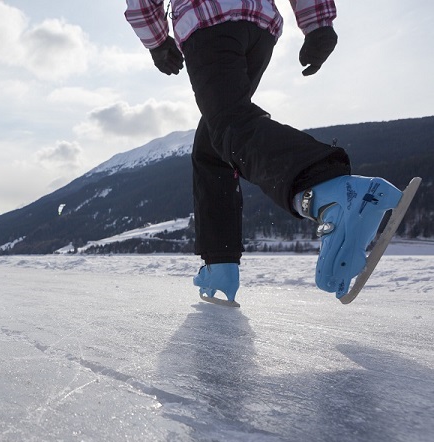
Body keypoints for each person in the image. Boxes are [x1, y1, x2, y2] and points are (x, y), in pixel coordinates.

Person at [124, 0, 404, 303]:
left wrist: (156, 40)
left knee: (231, 124)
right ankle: (220, 265)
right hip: (259, 26)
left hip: (207, 18)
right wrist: (317, 23)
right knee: (212, 148)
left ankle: (329, 194)